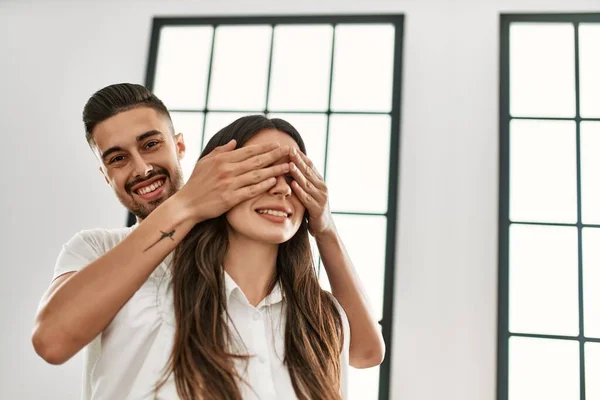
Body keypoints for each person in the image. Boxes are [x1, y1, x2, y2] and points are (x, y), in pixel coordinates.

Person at [31, 83, 384, 399]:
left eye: (151, 144)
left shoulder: (270, 289)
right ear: (105, 176)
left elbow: (365, 351)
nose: (141, 169)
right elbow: (53, 338)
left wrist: (324, 225)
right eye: (118, 159)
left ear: (180, 145)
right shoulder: (98, 250)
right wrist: (187, 205)